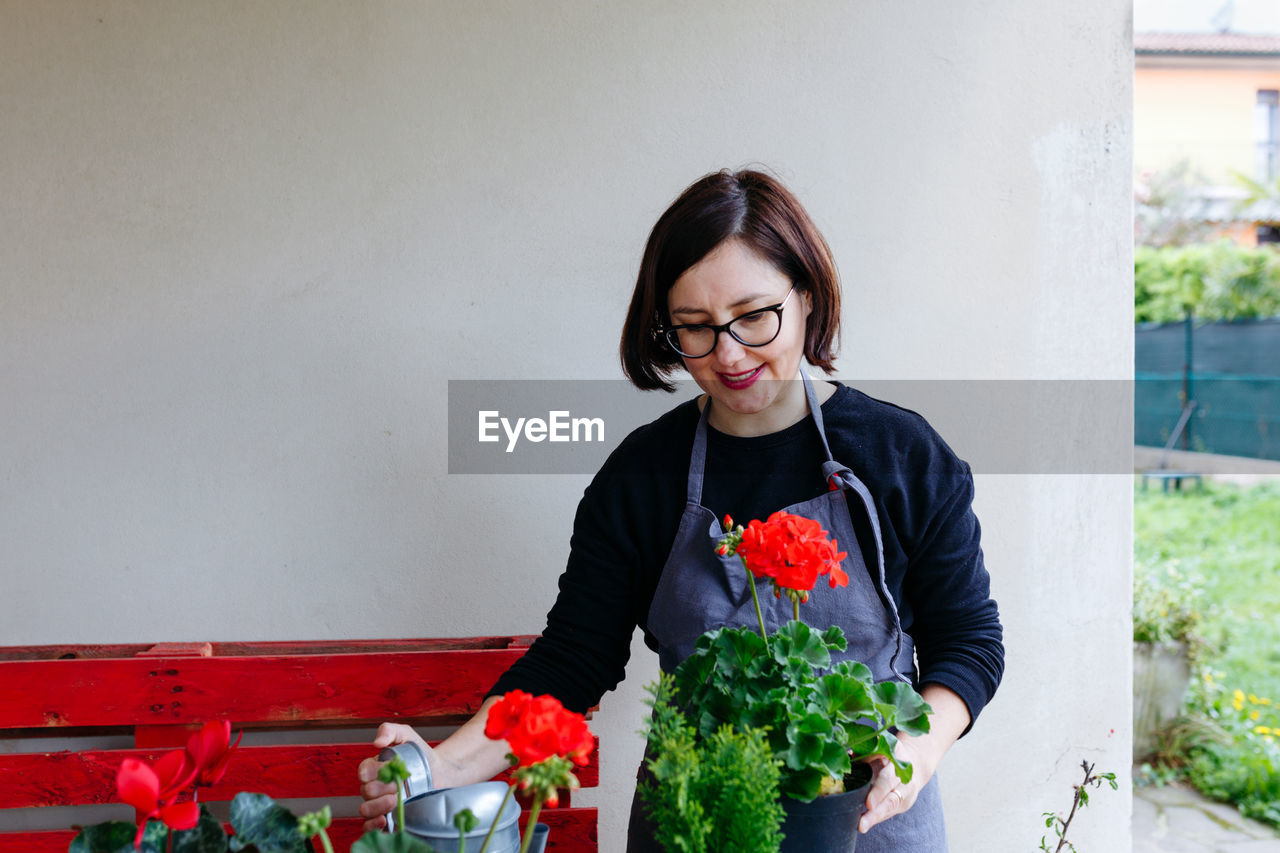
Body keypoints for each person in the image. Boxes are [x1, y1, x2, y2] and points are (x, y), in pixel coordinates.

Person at [359, 168, 1004, 851]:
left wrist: (917, 751)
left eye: (755, 316)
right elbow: (573, 659)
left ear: (807, 296)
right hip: (692, 826)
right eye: (694, 328)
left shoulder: (900, 455)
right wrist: (443, 763)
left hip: (868, 825)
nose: (728, 354)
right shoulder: (644, 475)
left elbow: (969, 643)